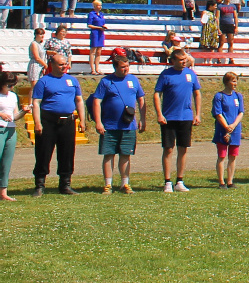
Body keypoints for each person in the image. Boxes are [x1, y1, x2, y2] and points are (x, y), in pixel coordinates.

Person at [89, 50, 146, 195]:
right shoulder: (106, 82)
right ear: (115, 67)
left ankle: (124, 184)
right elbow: (97, 101)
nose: (126, 69)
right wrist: (98, 122)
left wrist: (142, 119)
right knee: (109, 155)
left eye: (127, 66)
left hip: (128, 125)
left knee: (126, 154)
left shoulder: (133, 80)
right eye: (123, 67)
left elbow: (141, 99)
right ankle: (108, 184)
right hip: (110, 125)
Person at [30, 53, 84, 196]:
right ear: (52, 65)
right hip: (48, 121)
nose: (64, 66)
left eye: (65, 64)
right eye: (60, 64)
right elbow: (36, 102)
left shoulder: (72, 81)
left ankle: (65, 184)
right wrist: (37, 122)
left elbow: (79, 100)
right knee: (43, 153)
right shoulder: (44, 81)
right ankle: (40, 185)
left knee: (67, 153)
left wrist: (82, 120)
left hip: (67, 121)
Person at [154, 47, 202, 192]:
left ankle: (179, 181)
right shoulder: (166, 74)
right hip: (169, 118)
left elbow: (197, 94)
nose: (184, 62)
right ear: (173, 60)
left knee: (183, 149)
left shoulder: (191, 74)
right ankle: (167, 181)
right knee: (168, 149)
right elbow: (157, 94)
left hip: (186, 117)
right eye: (181, 60)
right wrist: (159, 114)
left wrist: (198, 114)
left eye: (185, 60)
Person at [212, 72, 244, 189]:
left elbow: (241, 112)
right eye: (233, 81)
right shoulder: (219, 96)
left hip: (235, 130)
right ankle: (221, 181)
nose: (235, 83)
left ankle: (230, 181)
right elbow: (218, 113)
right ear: (226, 82)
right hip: (222, 130)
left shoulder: (238, 96)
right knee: (222, 156)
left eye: (236, 81)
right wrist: (226, 127)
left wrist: (234, 125)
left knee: (233, 156)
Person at [0, 69, 20, 201]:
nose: (11, 88)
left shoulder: (13, 96)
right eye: (8, 85)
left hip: (11, 130)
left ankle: (3, 192)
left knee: (6, 162)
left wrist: (24, 111)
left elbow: (15, 115)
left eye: (13, 85)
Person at [85, 0, 106, 74]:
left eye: (100, 5)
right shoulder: (91, 14)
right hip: (95, 33)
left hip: (101, 33)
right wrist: (98, 27)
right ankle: (92, 69)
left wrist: (103, 27)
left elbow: (102, 22)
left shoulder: (101, 14)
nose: (100, 7)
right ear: (94, 6)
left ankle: (97, 68)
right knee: (93, 51)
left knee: (99, 52)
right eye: (98, 5)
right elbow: (89, 25)